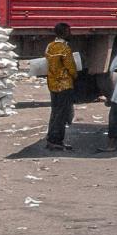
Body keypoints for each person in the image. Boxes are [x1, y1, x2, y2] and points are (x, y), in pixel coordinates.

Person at [44, 22, 78, 151]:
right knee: (62, 114)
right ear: (64, 33)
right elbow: (71, 67)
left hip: (52, 84)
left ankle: (51, 139)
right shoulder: (64, 48)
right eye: (68, 31)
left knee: (55, 112)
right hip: (64, 85)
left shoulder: (50, 46)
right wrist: (75, 76)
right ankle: (56, 140)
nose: (70, 34)